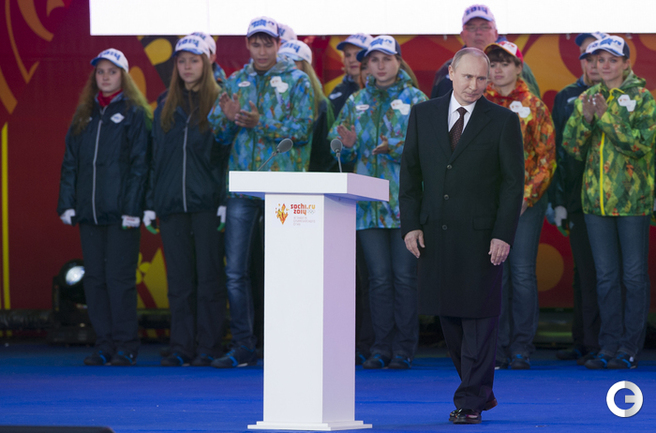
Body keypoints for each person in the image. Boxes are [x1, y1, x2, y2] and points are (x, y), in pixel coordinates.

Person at [399, 47, 524, 423]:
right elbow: (410, 173)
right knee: (450, 319)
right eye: (467, 76)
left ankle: (470, 401)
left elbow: (512, 184)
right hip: (435, 234)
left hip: (482, 238)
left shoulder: (502, 120)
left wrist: (503, 234)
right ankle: (480, 389)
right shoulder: (422, 114)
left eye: (481, 78)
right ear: (451, 73)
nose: (474, 85)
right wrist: (411, 224)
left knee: (480, 320)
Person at [207, 16, 315, 368]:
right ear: (247, 45)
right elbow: (219, 134)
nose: (263, 49)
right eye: (256, 43)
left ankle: (288, 344)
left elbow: (303, 130)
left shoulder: (297, 80)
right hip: (242, 186)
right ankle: (243, 346)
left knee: (286, 271)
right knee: (235, 271)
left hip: (284, 188)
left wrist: (260, 123)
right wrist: (228, 119)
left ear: (279, 45)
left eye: (269, 43)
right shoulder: (235, 81)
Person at [329, 35, 428, 370]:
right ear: (367, 65)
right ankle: (380, 348)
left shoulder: (416, 99)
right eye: (374, 60)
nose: (381, 65)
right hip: (367, 207)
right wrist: (346, 145)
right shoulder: (356, 100)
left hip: (404, 206)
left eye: (387, 58)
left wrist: (394, 147)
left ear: (399, 61)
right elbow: (335, 145)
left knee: (404, 277)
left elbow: (431, 147)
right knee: (378, 279)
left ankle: (404, 349)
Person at [563, 35, 656, 370]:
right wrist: (587, 120)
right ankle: (608, 346)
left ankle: (629, 349)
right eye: (598, 60)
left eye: (612, 60)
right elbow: (572, 148)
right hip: (595, 203)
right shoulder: (587, 97)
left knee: (633, 277)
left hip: (633, 202)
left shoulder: (643, 98)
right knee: (605, 277)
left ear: (626, 64)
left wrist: (606, 119)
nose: (604, 65)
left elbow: (642, 145)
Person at [57, 48, 151, 366]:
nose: (106, 76)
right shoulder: (84, 114)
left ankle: (126, 345)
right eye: (100, 71)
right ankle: (104, 344)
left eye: (112, 71)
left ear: (123, 76)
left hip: (123, 213)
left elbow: (141, 164)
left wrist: (133, 208)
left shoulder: (135, 114)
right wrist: (67, 202)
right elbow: (70, 162)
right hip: (90, 212)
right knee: (95, 279)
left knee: (119, 280)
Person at [145, 35, 227, 367]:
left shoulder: (220, 101)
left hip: (207, 203)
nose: (187, 67)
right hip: (171, 205)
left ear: (206, 64)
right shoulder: (165, 103)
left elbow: (227, 157)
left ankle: (209, 346)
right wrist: (151, 201)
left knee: (209, 279)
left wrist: (224, 199)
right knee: (179, 282)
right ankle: (181, 346)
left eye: (194, 60)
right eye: (182, 61)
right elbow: (155, 157)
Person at [483, 41, 556, 370]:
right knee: (494, 274)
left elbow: (546, 159)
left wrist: (526, 196)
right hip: (488, 203)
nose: (498, 69)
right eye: (493, 63)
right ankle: (495, 348)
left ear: (518, 68)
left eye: (505, 63)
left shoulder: (534, 106)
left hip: (526, 203)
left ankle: (521, 347)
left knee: (522, 273)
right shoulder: (478, 103)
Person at [550, 33, 606, 365]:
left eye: (601, 57)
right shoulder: (567, 96)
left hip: (611, 198)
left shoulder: (624, 96)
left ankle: (602, 342)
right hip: (575, 197)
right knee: (582, 271)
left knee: (606, 272)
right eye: (587, 56)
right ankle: (582, 340)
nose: (594, 63)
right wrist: (558, 200)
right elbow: (558, 150)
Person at [430, 4, 540, 99]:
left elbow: (534, 107)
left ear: (496, 33)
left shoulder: (516, 65)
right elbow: (435, 108)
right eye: (472, 27)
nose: (478, 32)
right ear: (462, 35)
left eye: (484, 27)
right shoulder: (447, 69)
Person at [278, 39, 332, 172]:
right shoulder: (267, 98)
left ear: (306, 67)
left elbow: (324, 152)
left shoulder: (321, 104)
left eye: (293, 62)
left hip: (307, 175)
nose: (287, 66)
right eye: (283, 60)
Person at [328, 34, 373, 118]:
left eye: (357, 54)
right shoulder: (337, 91)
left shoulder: (383, 90)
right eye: (348, 55)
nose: (352, 60)